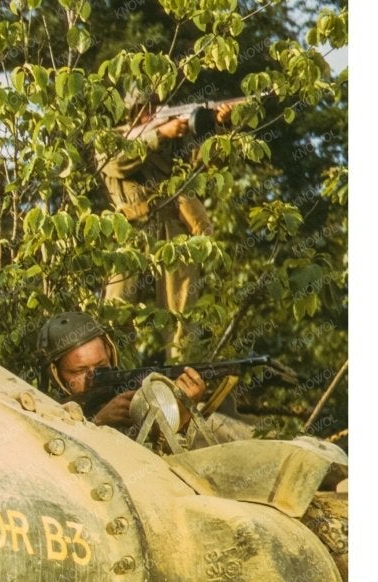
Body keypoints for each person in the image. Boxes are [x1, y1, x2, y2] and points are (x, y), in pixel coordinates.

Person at [98, 91, 238, 353]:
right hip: (130, 228)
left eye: (156, 108)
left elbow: (204, 165)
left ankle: (181, 367)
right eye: (145, 109)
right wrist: (160, 133)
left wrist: (220, 125)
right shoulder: (112, 139)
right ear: (132, 111)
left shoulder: (174, 143)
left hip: (172, 226)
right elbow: (116, 165)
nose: (152, 113)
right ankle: (114, 367)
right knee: (117, 307)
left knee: (182, 309)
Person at [37, 311, 253, 448]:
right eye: (79, 371)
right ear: (56, 375)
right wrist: (99, 422)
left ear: (111, 355)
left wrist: (184, 408)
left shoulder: (130, 390)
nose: (94, 376)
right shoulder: (45, 413)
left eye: (101, 366)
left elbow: (164, 449)